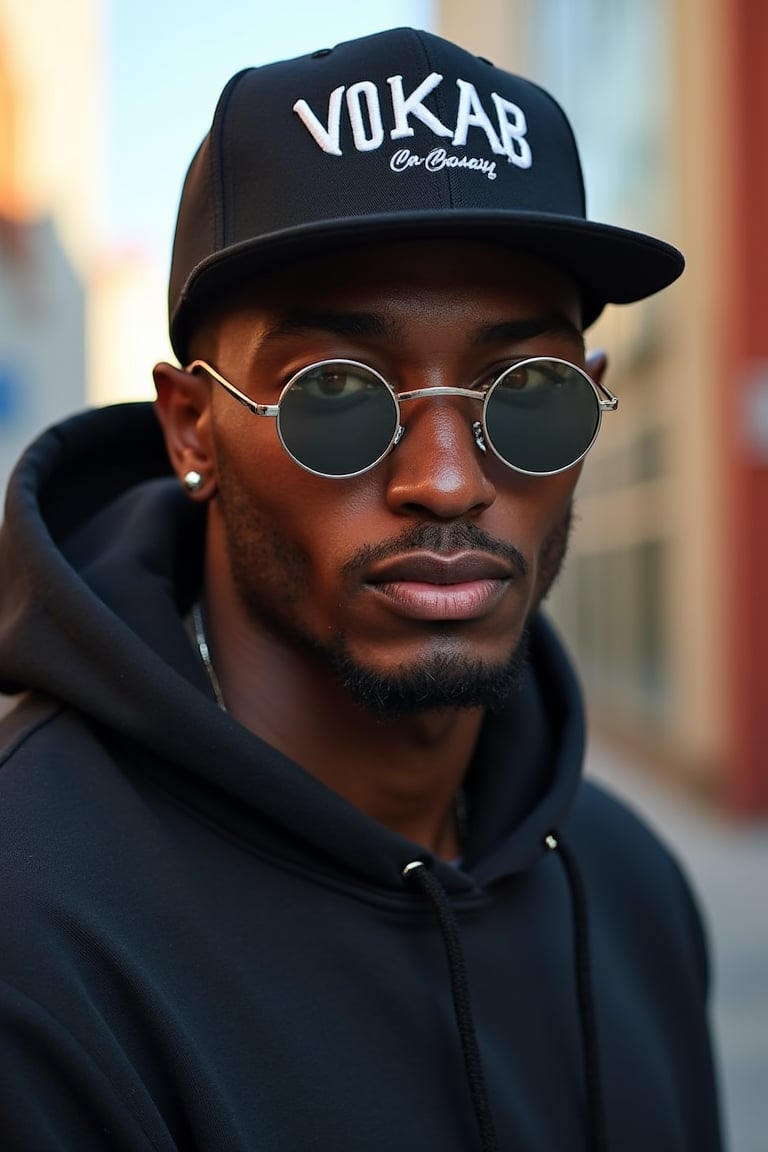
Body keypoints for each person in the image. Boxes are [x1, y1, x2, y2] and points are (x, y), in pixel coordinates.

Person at [0, 26, 722, 1152]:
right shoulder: (35, 937)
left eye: (525, 394)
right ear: (194, 429)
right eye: (335, 394)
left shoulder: (628, 889)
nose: (446, 481)